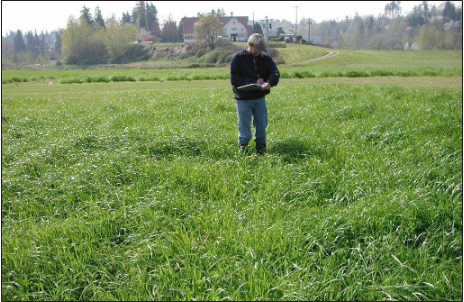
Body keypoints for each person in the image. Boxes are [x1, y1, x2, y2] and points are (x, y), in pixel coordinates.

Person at [230, 33, 280, 155]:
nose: (258, 53)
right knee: (244, 125)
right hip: (243, 99)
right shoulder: (237, 58)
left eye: (260, 50)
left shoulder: (265, 58)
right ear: (249, 45)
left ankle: (261, 149)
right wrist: (254, 82)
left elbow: (275, 72)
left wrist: (269, 82)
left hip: (259, 98)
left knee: (262, 124)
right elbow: (235, 79)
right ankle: (243, 148)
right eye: (256, 50)